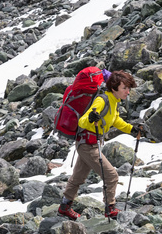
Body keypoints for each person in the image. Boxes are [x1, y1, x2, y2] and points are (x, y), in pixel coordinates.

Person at [58, 70, 143, 220]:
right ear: (114, 88)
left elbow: (115, 120)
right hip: (87, 144)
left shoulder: (113, 102)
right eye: (124, 88)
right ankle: (110, 208)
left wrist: (131, 129)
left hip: (89, 143)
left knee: (78, 177)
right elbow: (82, 121)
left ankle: (64, 207)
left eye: (128, 88)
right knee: (111, 176)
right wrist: (91, 117)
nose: (128, 92)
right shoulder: (102, 100)